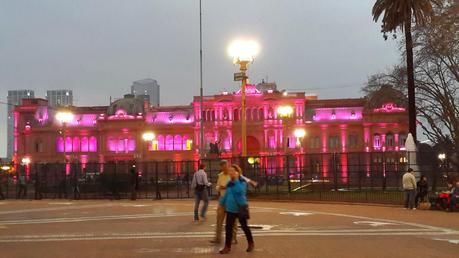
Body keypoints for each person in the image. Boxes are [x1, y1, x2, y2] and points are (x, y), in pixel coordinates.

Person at [219, 165, 254, 254]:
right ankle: (227, 247)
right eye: (230, 171)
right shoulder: (229, 182)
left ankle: (251, 243)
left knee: (244, 227)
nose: (230, 173)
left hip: (240, 208)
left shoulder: (242, 181)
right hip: (230, 209)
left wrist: (236, 180)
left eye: (232, 171)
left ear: (237, 172)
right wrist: (222, 203)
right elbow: (227, 194)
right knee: (228, 228)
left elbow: (240, 191)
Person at [210, 160, 238, 244]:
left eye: (225, 167)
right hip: (222, 199)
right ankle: (218, 238)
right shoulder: (220, 175)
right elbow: (217, 186)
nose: (223, 169)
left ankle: (234, 238)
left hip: (231, 200)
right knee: (219, 220)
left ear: (228, 166)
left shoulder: (233, 174)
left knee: (233, 221)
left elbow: (236, 186)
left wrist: (226, 187)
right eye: (222, 167)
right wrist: (219, 187)